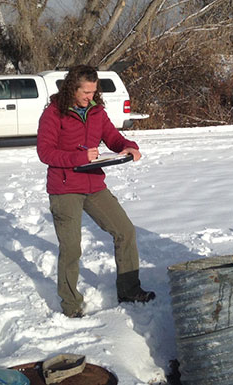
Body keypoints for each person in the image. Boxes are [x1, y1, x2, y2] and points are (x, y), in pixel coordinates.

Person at [37, 65, 155, 318]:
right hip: (65, 187)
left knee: (125, 231)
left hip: (93, 185)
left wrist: (129, 147)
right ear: (72, 88)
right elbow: (44, 152)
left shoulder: (96, 112)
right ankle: (70, 305)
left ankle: (129, 290)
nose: (90, 96)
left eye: (93, 91)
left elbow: (113, 138)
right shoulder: (53, 113)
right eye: (85, 91)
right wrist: (78, 156)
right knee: (71, 247)